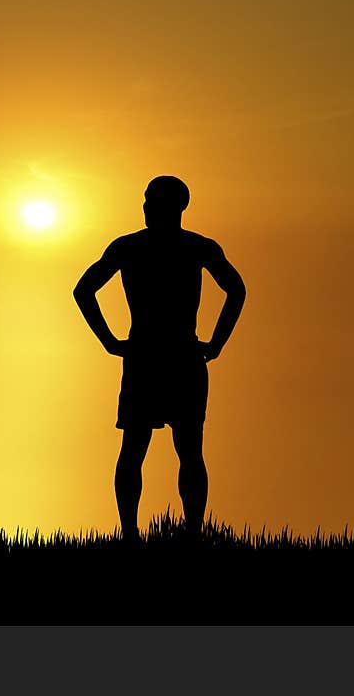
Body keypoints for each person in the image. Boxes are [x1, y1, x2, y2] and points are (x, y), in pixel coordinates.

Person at [73, 176, 245, 542]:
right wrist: (108, 341)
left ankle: (188, 533)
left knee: (184, 449)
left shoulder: (180, 247)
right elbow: (83, 289)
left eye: (154, 201)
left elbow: (237, 290)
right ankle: (132, 534)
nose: (148, 207)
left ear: (176, 206)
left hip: (166, 356)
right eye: (147, 200)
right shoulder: (146, 247)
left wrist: (216, 344)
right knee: (139, 447)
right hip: (155, 356)